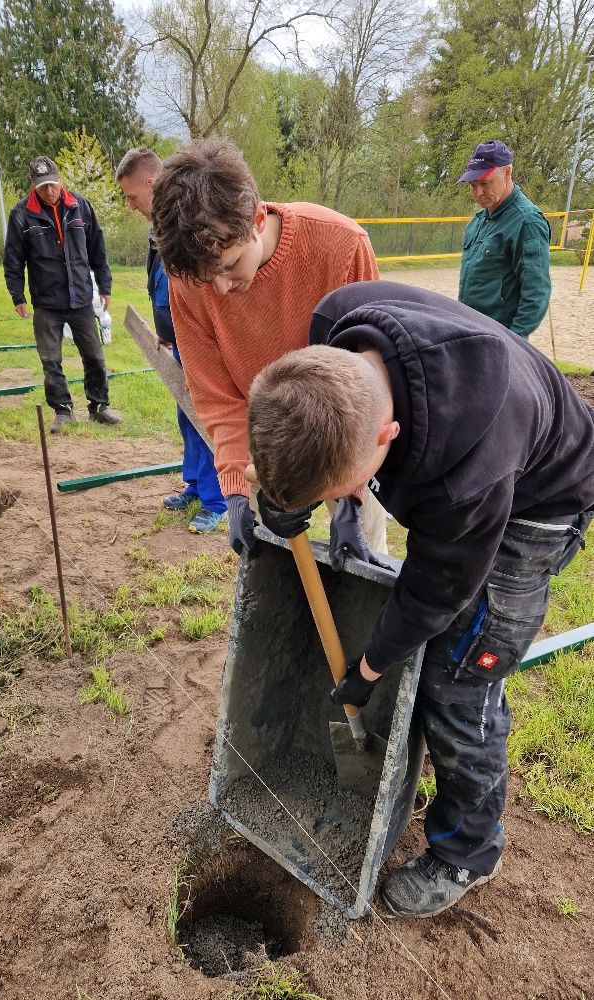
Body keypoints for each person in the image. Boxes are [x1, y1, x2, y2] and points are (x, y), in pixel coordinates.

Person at [246, 280, 594, 918]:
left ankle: (468, 851)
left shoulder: (469, 475)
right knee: (436, 656)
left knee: (459, 680)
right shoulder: (335, 325)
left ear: (389, 435)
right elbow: (315, 427)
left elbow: (438, 588)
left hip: (541, 504)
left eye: (348, 486)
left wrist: (371, 666)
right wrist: (292, 501)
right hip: (466, 456)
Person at [150, 138, 387, 558]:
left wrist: (351, 494)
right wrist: (237, 491)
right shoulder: (188, 279)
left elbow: (371, 377)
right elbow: (216, 395)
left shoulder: (342, 245)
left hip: (348, 434)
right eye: (205, 278)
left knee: (364, 560)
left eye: (229, 266)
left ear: (257, 219)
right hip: (261, 439)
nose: (219, 290)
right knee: (273, 565)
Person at [115, 147, 227, 534]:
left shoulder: (187, 222)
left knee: (203, 418)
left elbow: (202, 291)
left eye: (132, 196)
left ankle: (216, 500)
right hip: (178, 341)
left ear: (151, 183)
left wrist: (193, 342)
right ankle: (195, 486)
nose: (131, 205)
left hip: (201, 345)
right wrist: (165, 331)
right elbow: (166, 287)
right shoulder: (158, 226)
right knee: (185, 415)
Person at [3, 155, 122, 432]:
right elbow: (13, 260)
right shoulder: (21, 214)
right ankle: (63, 411)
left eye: (52, 184)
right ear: (32, 183)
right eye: (42, 186)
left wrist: (105, 286)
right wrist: (17, 296)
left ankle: (99, 407)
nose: (49, 191)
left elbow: (98, 249)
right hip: (46, 303)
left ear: (60, 179)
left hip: (80, 298)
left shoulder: (80, 206)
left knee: (94, 356)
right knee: (51, 360)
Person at [457, 140, 551, 339]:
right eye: (473, 185)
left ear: (507, 173)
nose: (478, 193)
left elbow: (536, 293)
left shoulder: (527, 222)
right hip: (470, 332)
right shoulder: (478, 222)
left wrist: (513, 342)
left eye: (485, 183)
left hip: (499, 339)